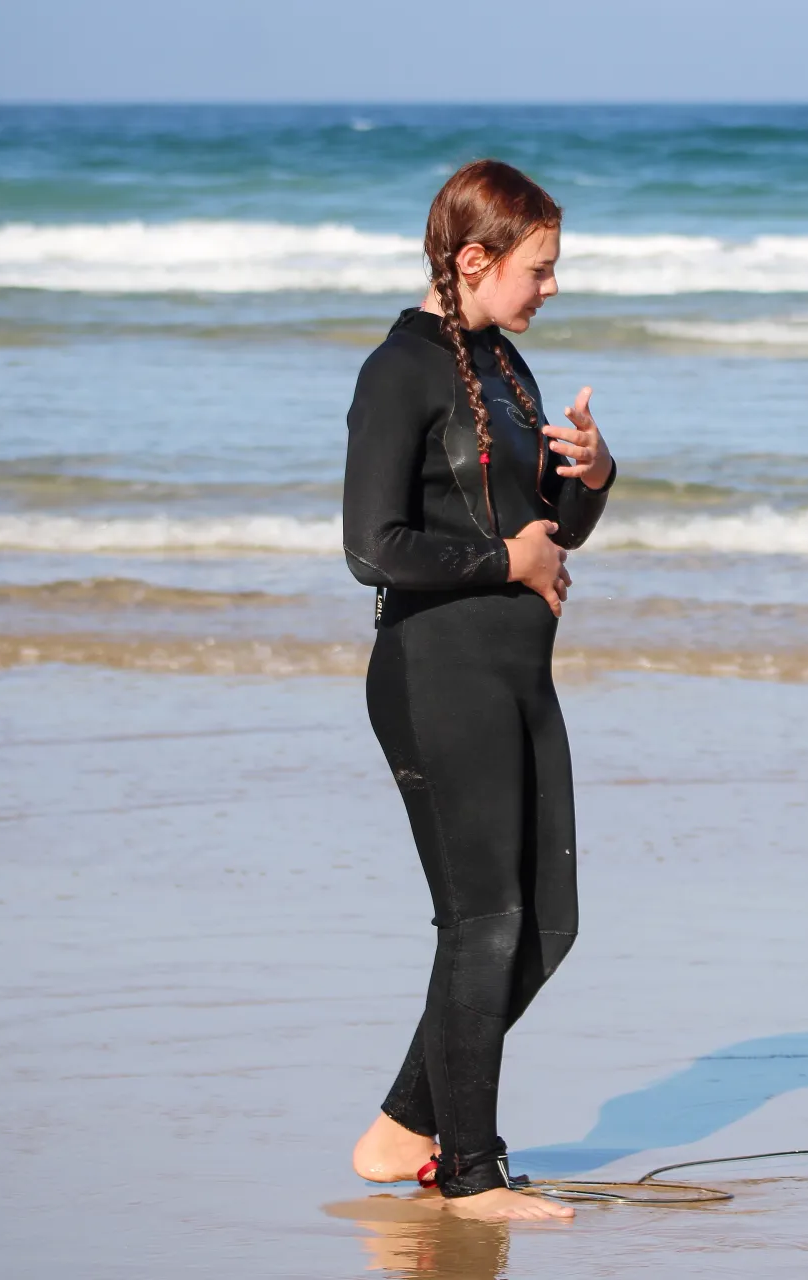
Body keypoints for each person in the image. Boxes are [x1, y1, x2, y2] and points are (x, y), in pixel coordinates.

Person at [341, 159, 618, 1221]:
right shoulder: (397, 371)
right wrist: (508, 564)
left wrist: (590, 476)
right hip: (435, 671)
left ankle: (406, 1123)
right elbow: (374, 545)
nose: (552, 287)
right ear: (473, 259)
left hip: (516, 670)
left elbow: (543, 528)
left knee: (547, 924)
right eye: (539, 269)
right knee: (483, 919)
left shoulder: (505, 366)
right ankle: (469, 1172)